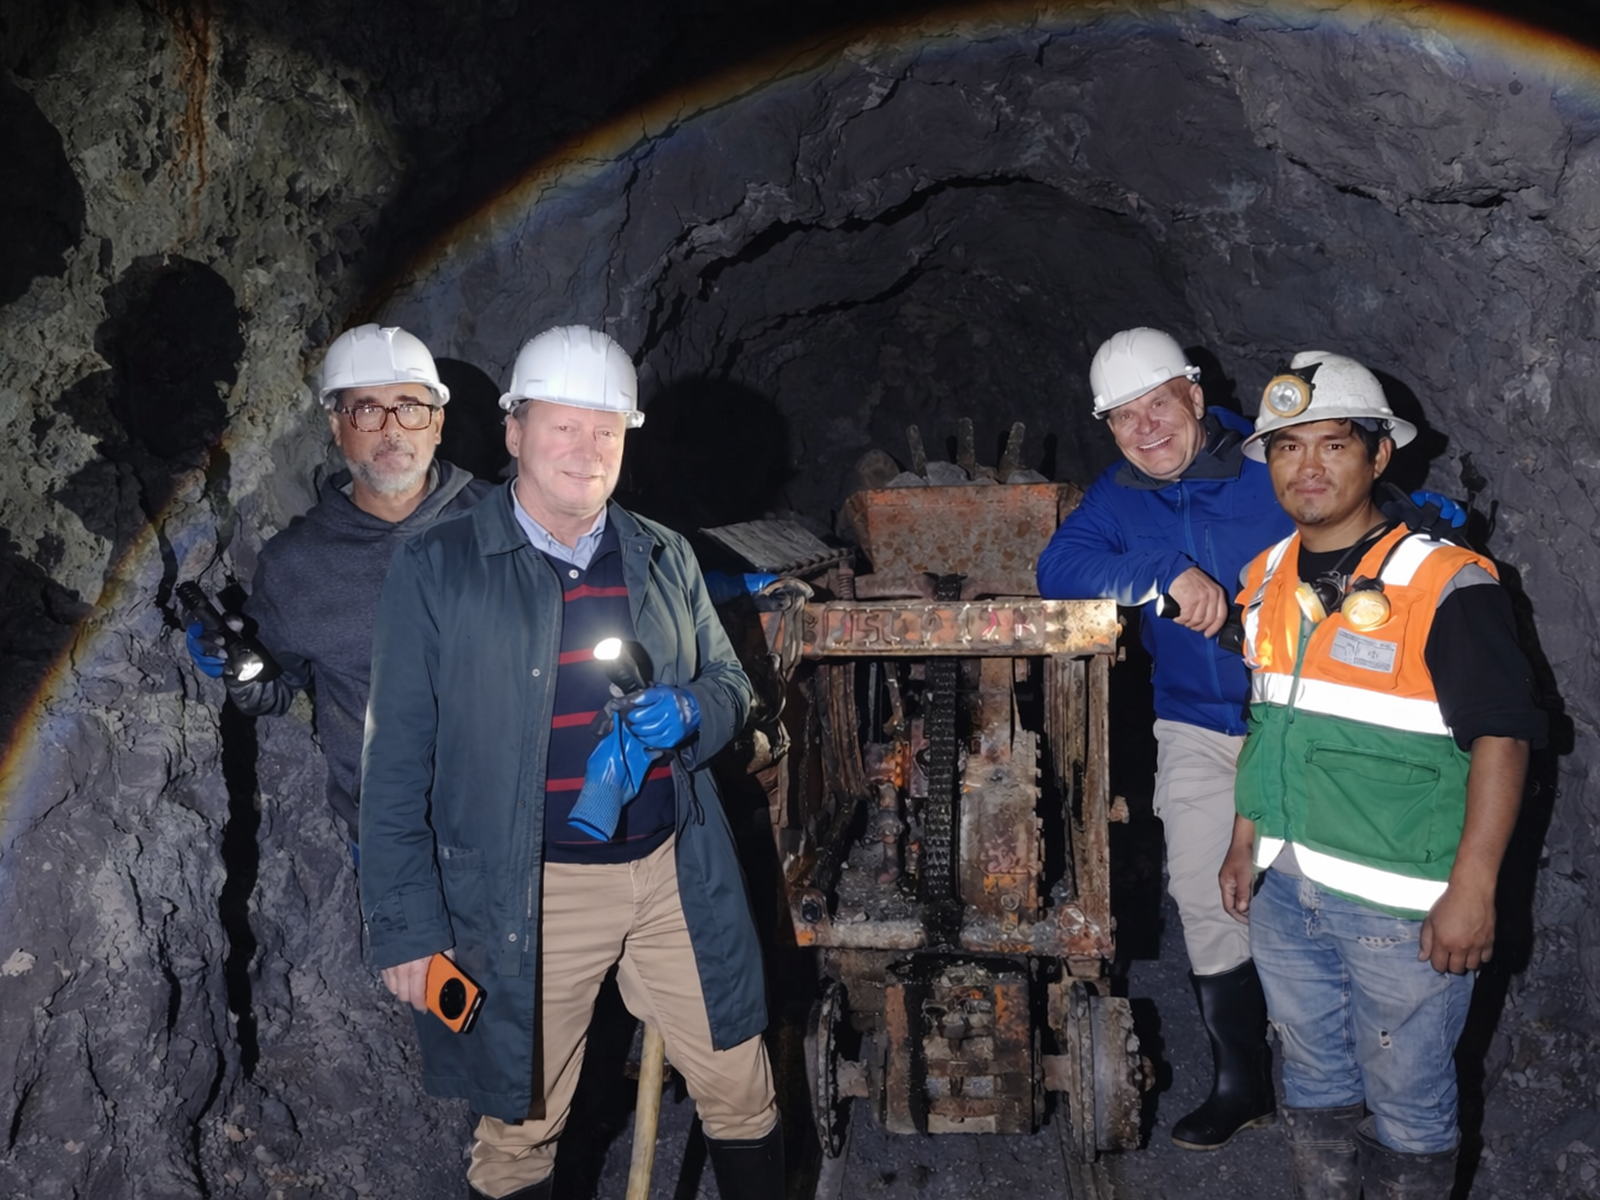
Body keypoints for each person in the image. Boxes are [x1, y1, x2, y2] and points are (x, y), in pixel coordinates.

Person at [358, 325, 781, 1200]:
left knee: (743, 1087)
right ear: (514, 432)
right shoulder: (439, 568)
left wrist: (696, 709)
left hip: (673, 873)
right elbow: (395, 761)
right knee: (519, 1124)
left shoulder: (666, 556)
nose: (587, 450)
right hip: (533, 889)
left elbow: (733, 681)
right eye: (563, 425)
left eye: (607, 430)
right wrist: (405, 927)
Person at [1219, 351, 1545, 1199]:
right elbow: (1270, 720)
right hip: (1286, 888)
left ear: (1378, 455)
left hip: (1403, 904)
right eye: (1288, 449)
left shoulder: (1444, 581)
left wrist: (1474, 887)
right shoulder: (1265, 580)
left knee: (1409, 1100)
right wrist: (1243, 840)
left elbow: (1503, 737)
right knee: (1315, 1078)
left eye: (1332, 445)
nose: (1309, 467)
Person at [1037, 328, 1289, 1149]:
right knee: (1204, 895)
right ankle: (1241, 1083)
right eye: (1122, 418)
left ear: (1193, 393)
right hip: (1192, 724)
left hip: (1298, 716)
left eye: (1157, 406)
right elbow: (1058, 571)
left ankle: (1332, 1079)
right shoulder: (1118, 495)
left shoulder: (1272, 466)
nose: (1145, 430)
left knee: (1311, 899)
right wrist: (1162, 569)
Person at [186, 324, 492, 854]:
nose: (391, 429)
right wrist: (238, 666)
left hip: (526, 826)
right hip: (395, 843)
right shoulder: (294, 565)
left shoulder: (507, 522)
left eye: (410, 407)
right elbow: (275, 690)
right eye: (367, 410)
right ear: (336, 424)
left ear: (437, 422)